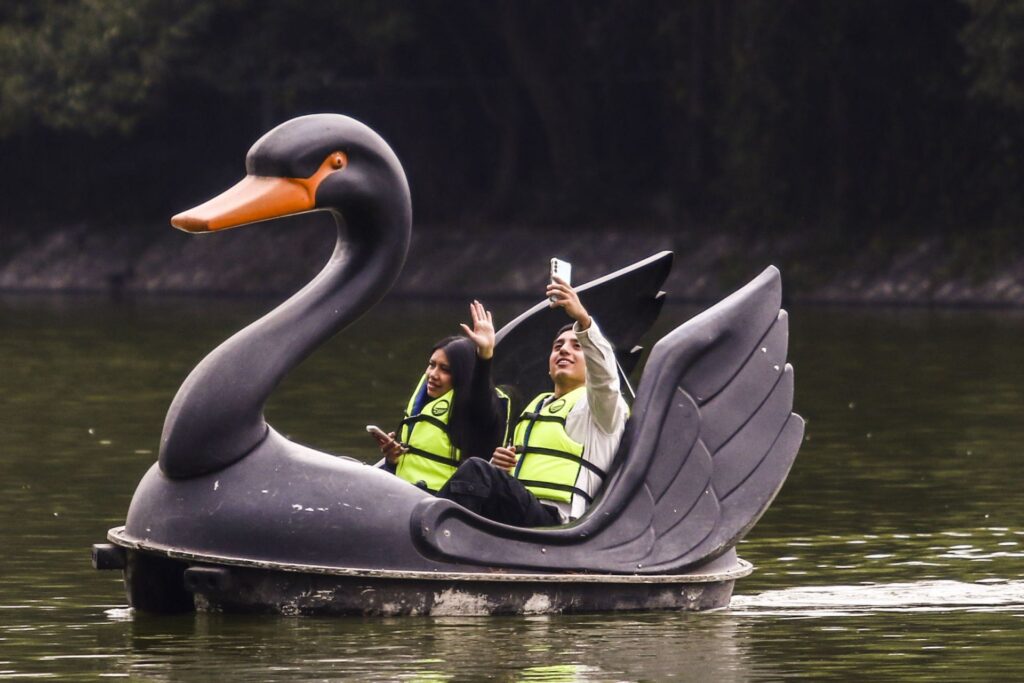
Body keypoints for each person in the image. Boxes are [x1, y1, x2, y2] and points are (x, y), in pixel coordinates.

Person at [437, 276, 629, 526]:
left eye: (576, 346)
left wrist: (583, 321)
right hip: (524, 511)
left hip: (559, 522)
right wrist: (500, 468)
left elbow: (606, 380)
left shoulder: (600, 411)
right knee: (483, 471)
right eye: (558, 346)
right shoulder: (536, 407)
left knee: (477, 471)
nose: (564, 350)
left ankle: (430, 534)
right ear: (549, 366)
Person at [373, 301, 510, 492]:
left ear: (463, 375)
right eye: (432, 365)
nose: (433, 374)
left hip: (444, 507)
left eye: (445, 369)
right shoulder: (422, 407)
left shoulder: (478, 410)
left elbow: (480, 393)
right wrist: (392, 459)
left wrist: (485, 355)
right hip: (403, 496)